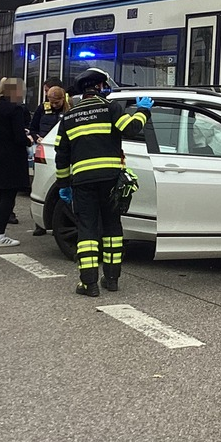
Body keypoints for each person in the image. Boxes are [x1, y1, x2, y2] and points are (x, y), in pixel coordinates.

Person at [55, 68, 151, 296]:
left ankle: (88, 284)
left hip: (82, 181)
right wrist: (143, 110)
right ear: (99, 87)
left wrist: (63, 186)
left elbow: (61, 155)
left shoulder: (69, 116)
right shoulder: (110, 108)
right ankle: (112, 279)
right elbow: (131, 128)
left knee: (86, 229)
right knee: (112, 226)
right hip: (110, 179)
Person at [0, 77, 33, 247]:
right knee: (8, 198)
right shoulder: (15, 109)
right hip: (12, 159)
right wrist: (28, 139)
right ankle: (1, 236)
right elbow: (19, 137)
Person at [29, 82, 67, 236]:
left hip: (62, 150)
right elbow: (33, 128)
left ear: (63, 99)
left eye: (56, 103)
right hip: (45, 150)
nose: (53, 105)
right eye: (51, 102)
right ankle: (39, 223)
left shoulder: (69, 108)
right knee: (40, 186)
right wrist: (37, 137)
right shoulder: (43, 108)